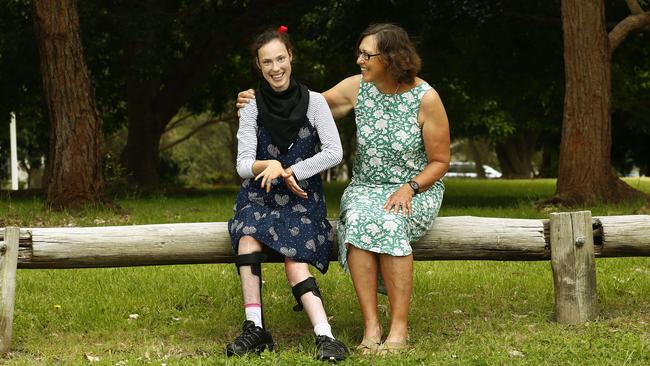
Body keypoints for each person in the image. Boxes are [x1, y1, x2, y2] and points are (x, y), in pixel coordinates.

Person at [237, 23, 450, 355]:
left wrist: (410, 188)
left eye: (367, 55)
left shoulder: (427, 98)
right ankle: (371, 327)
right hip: (366, 187)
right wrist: (258, 100)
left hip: (415, 188)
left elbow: (440, 160)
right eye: (360, 53)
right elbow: (302, 104)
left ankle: (398, 328)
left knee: (390, 224)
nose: (359, 60)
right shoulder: (358, 87)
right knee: (361, 223)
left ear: (392, 58)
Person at [226, 26, 349, 362]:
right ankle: (255, 328)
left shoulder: (316, 103)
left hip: (302, 198)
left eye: (281, 58)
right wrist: (270, 164)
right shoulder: (251, 107)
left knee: (295, 259)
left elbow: (333, 152)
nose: (275, 67)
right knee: (247, 238)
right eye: (268, 62)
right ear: (259, 65)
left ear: (291, 57)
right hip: (260, 197)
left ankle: (326, 336)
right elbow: (243, 165)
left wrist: (292, 170)